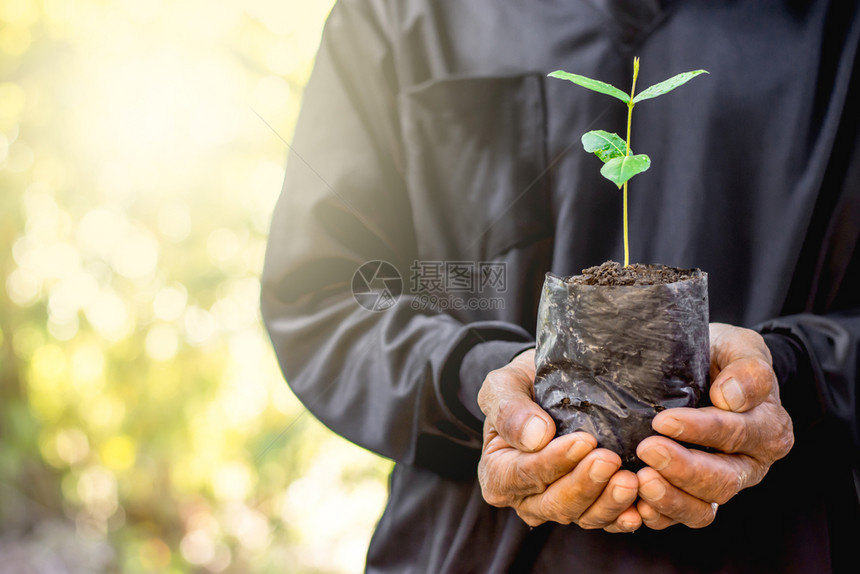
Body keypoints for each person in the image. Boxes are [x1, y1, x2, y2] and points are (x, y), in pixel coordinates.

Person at [261, 0, 860, 571]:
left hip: (786, 547)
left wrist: (790, 372)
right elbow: (323, 293)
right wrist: (481, 382)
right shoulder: (399, 13)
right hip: (468, 550)